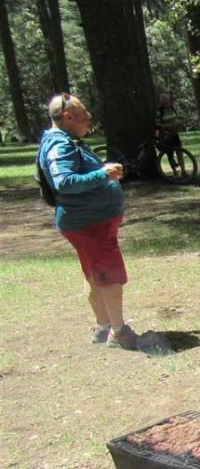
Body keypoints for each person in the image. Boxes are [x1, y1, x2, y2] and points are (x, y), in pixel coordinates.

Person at [38, 93, 138, 349]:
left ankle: (102, 327)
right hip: (91, 225)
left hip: (86, 223)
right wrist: (103, 174)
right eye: (84, 113)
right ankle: (119, 332)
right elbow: (65, 182)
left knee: (93, 273)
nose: (89, 117)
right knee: (109, 275)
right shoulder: (60, 145)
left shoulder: (64, 140)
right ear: (68, 117)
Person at [155, 94, 186, 177]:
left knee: (179, 152)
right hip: (166, 136)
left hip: (175, 134)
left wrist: (178, 123)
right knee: (170, 154)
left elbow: (176, 118)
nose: (167, 104)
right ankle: (175, 172)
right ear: (162, 103)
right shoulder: (160, 112)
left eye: (167, 102)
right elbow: (158, 125)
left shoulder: (172, 109)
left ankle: (183, 171)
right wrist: (168, 126)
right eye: (164, 102)